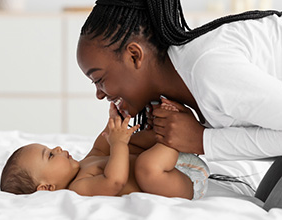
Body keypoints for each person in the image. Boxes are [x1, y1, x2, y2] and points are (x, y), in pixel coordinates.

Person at [76, 0, 282, 209]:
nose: (99, 95)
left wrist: (202, 140)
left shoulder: (210, 71)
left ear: (134, 55)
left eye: (99, 79)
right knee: (262, 204)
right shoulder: (187, 81)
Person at [0, 102, 209, 200]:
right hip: (185, 180)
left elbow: (103, 144)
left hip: (173, 164)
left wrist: (114, 120)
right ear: (47, 187)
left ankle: (165, 129)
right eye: (50, 155)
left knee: (130, 141)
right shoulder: (79, 188)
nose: (57, 148)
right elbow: (114, 182)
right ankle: (174, 132)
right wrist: (118, 145)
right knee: (144, 166)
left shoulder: (83, 163)